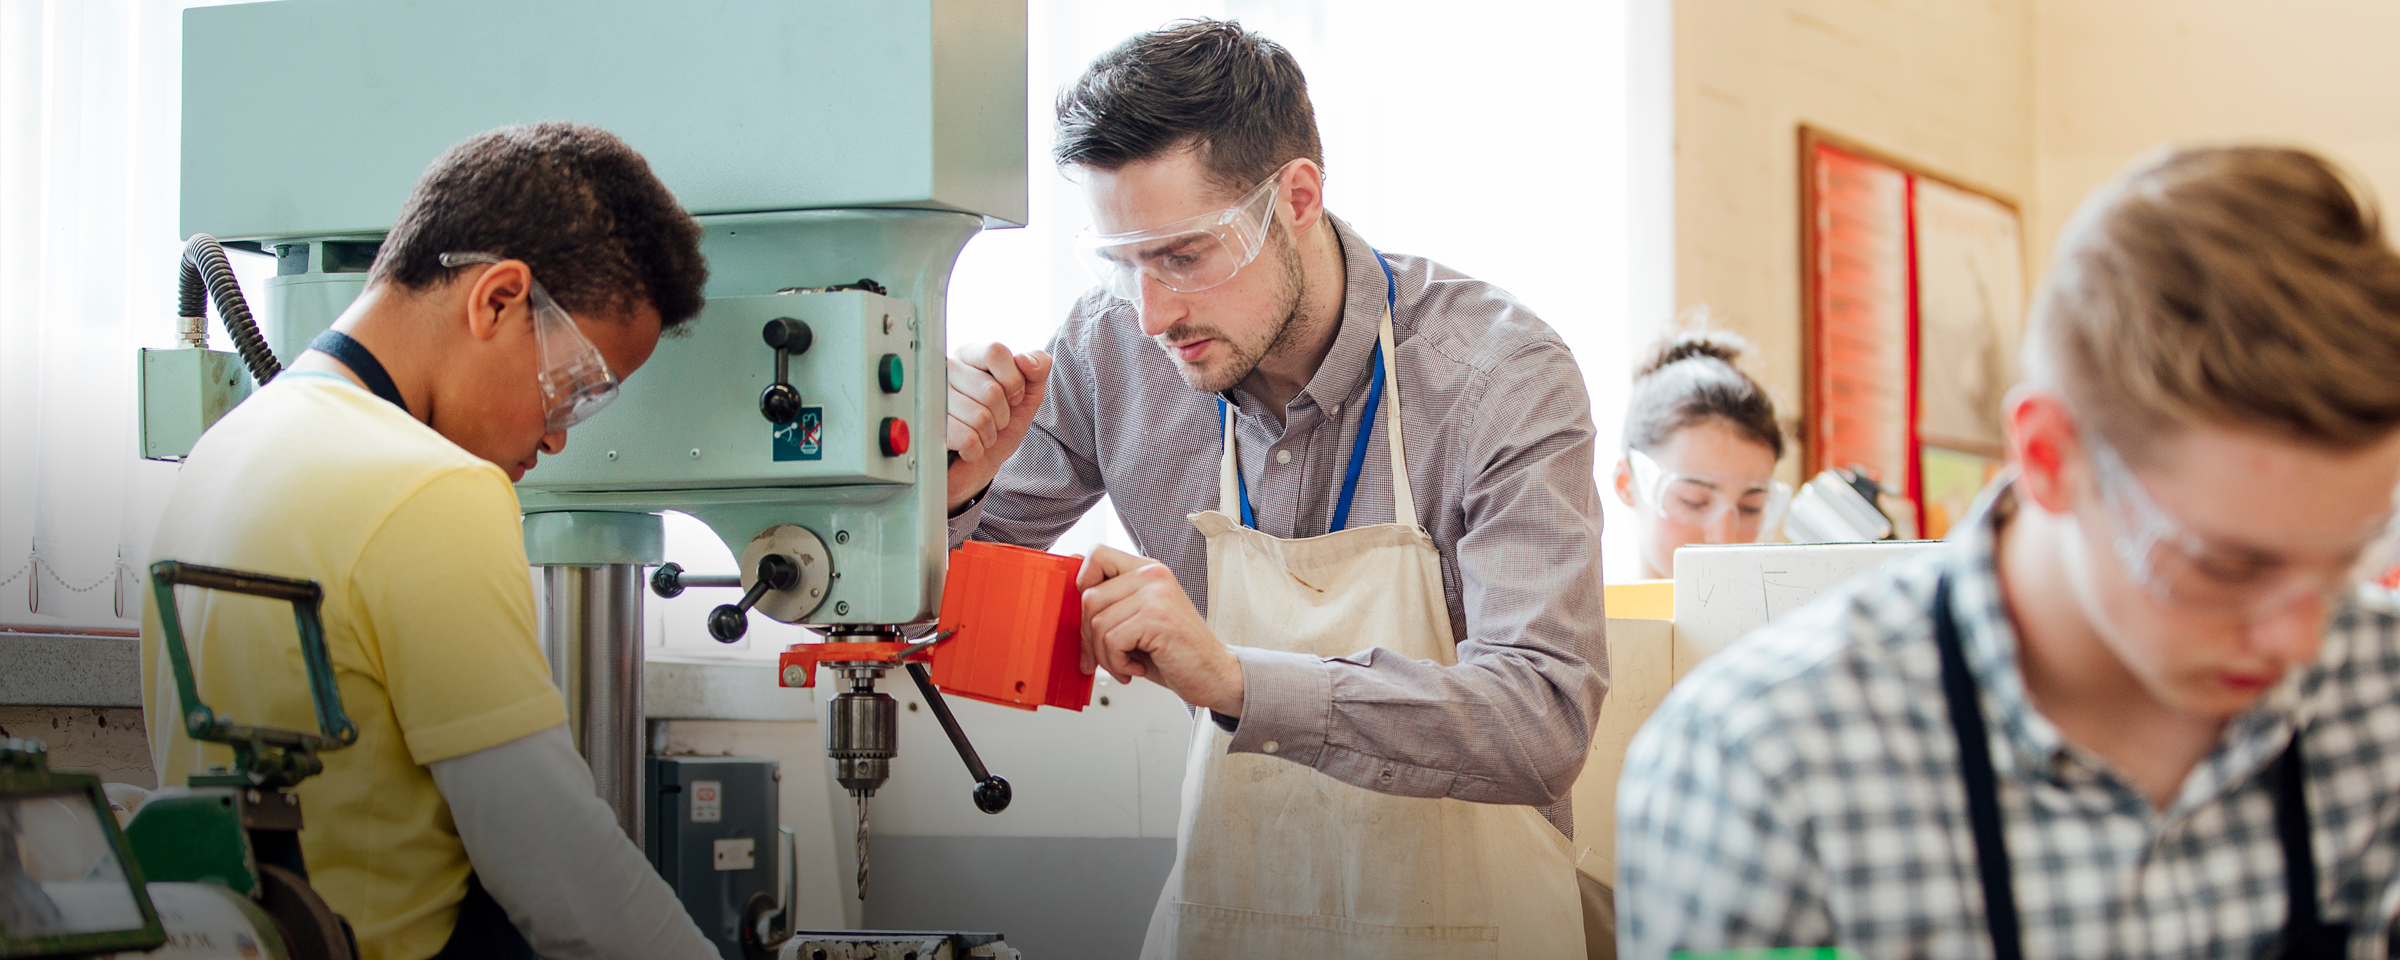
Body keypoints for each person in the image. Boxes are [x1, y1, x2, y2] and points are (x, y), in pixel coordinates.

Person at [1615, 145, 2400, 957]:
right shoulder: (1764, 766)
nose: (2302, 640)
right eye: (2228, 566)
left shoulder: (2382, 691)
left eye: (2345, 561)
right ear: (2051, 458)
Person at [942, 19, 1609, 957]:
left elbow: (1543, 718)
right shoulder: (1112, 350)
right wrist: (947, 489)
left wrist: (1236, 681)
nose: (1153, 313)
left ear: (1297, 196)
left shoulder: (1497, 375)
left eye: (1183, 255)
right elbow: (936, 600)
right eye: (1123, 262)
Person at [141, 123, 718, 960]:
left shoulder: (225, 452)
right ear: (496, 299)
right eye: (578, 389)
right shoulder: (432, 487)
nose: (559, 438)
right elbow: (562, 877)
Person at [1612, 329, 1787, 579]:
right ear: (1626, 482)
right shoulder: (1570, 615)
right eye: (1693, 501)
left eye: (1750, 508)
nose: (1725, 540)